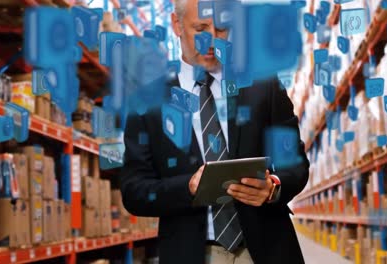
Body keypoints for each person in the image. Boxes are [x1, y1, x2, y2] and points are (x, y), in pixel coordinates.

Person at [121, 0, 309, 263]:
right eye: (200, 28)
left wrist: (273, 187)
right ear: (177, 25)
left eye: (221, 29)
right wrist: (186, 187)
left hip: (265, 248)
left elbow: (296, 165)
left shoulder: (262, 85)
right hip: (192, 252)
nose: (212, 39)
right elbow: (134, 190)